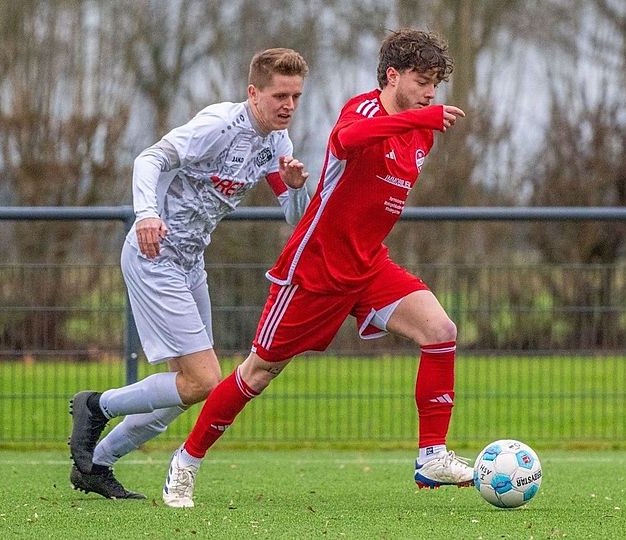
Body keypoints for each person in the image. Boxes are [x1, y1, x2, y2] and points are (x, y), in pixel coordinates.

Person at [160, 29, 469, 509]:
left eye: (435, 85)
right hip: (316, 269)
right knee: (257, 373)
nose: (431, 94)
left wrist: (419, 120)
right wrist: (418, 116)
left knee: (441, 331)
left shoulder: (422, 134)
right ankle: (186, 461)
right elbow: (345, 139)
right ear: (392, 76)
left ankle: (431, 456)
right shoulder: (364, 110)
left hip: (369, 266)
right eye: (423, 82)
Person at [68, 48, 311, 500]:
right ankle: (96, 405)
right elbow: (149, 159)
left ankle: (97, 464)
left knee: (185, 388)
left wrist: (297, 189)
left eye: (296, 97)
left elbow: (296, 219)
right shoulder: (219, 124)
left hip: (190, 262)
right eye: (280, 96)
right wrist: (146, 214)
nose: (289, 106)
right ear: (253, 92)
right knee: (203, 380)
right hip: (154, 254)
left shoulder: (278, 144)